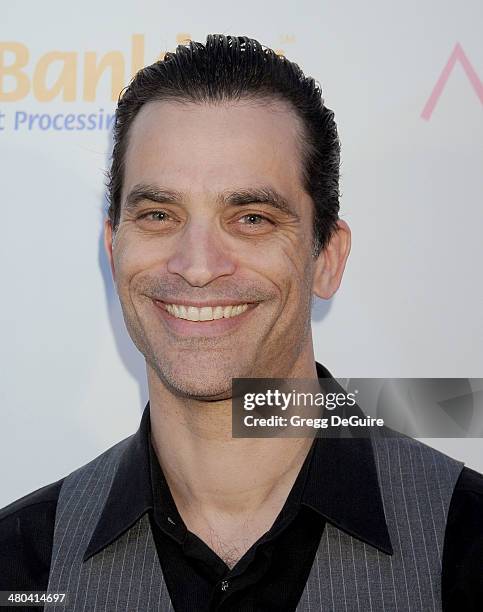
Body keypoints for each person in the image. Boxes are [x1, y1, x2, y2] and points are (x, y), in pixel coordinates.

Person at [0, 34, 481, 611]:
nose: (197, 266)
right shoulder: (19, 560)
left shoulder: (468, 542)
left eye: (250, 217)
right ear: (113, 249)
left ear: (326, 257)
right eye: (158, 214)